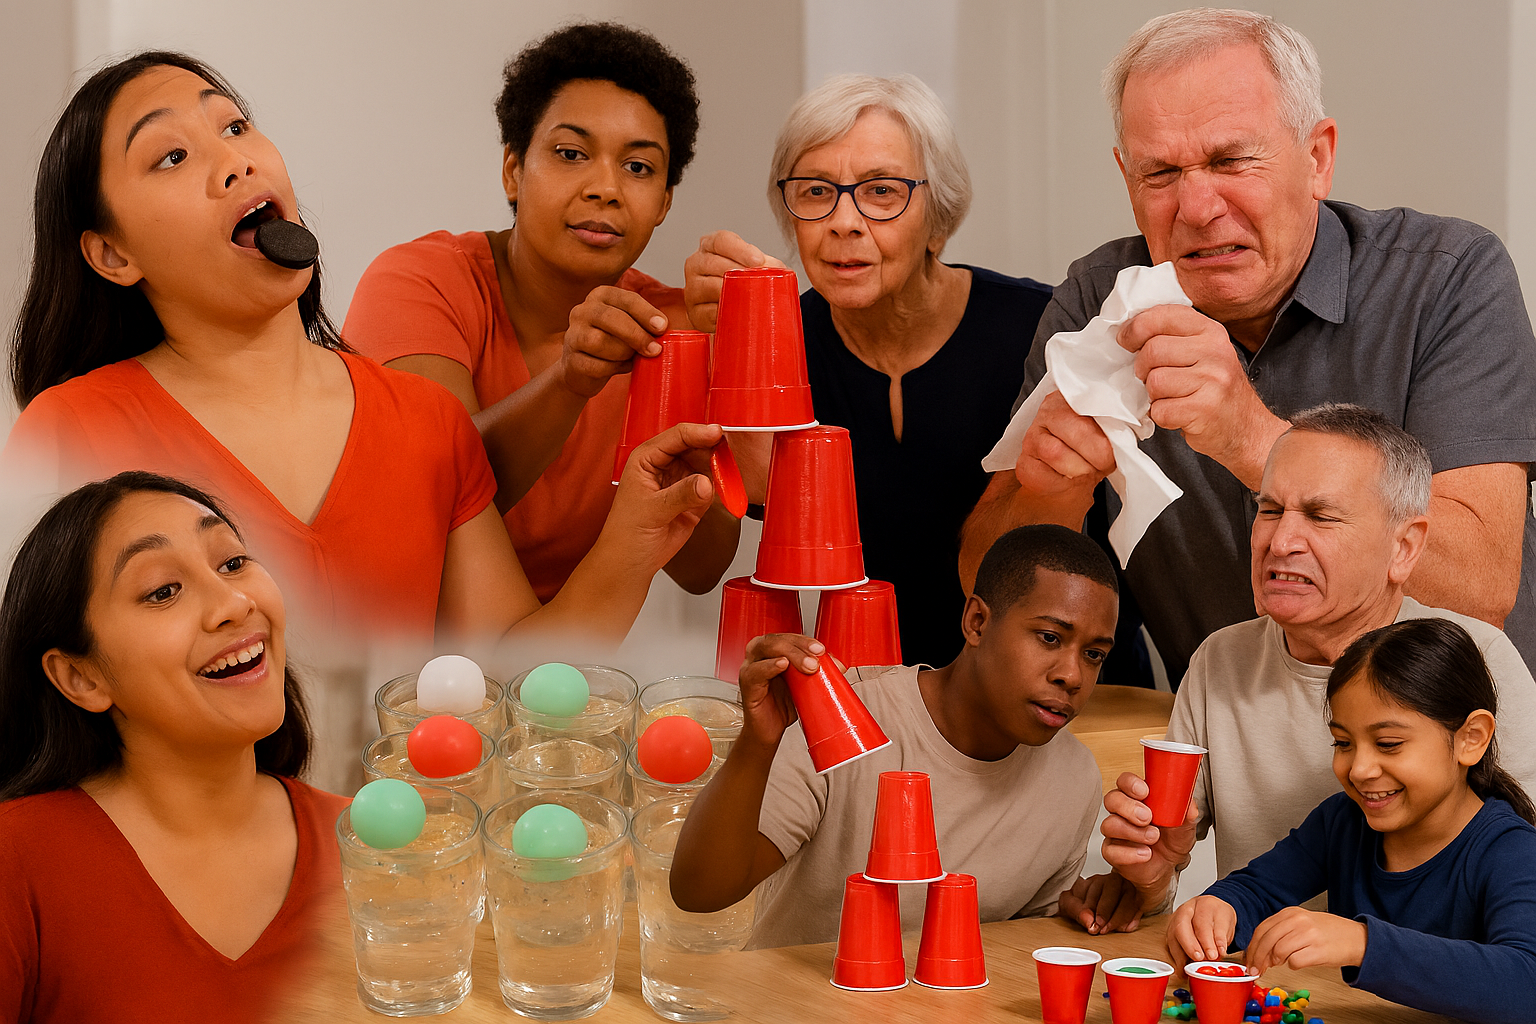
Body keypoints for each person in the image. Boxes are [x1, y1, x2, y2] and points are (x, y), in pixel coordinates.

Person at [1, 51, 720, 648]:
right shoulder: (69, 432)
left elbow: (510, 671)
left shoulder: (426, 421)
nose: (234, 161)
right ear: (112, 254)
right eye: (172, 155)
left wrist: (635, 539)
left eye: (237, 126)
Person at [961, 8, 1536, 685]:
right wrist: (1052, 493)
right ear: (1126, 177)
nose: (1198, 207)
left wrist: (1252, 439)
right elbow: (983, 583)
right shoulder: (1099, 302)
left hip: (1458, 736)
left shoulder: (1447, 279)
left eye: (1230, 160)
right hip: (1224, 740)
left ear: (1317, 158)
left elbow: (1479, 587)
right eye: (1160, 173)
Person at [343, 22, 738, 601]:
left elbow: (701, 572)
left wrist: (732, 356)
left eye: (638, 167)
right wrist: (569, 382)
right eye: (571, 154)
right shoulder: (420, 282)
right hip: (397, 642)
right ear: (513, 170)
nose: (606, 188)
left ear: (663, 204)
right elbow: (422, 499)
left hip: (562, 653)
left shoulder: (667, 328)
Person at [683, 74, 1064, 670]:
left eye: (882, 191)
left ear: (939, 220)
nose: (844, 221)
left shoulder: (1042, 330)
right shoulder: (785, 345)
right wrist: (724, 350)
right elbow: (742, 511)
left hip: (1049, 684)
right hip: (867, 692)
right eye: (816, 191)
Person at [1096, 404, 1536, 918]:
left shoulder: (1478, 658)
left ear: (1404, 548)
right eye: (1270, 510)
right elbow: (1173, 885)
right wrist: (1150, 875)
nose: (1280, 542)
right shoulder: (1221, 660)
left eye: (1321, 517)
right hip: (1260, 966)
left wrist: (1362, 946)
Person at [670, 524, 1140, 947]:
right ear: (977, 623)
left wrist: (1091, 907)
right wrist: (758, 743)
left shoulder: (1073, 777)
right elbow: (699, 891)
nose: (1071, 676)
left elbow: (1022, 940)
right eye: (1050, 638)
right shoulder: (845, 720)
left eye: (1094, 654)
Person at [0, 472, 350, 1024]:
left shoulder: (373, 844)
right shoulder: (15, 860)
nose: (233, 603)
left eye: (232, 562)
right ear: (80, 677)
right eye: (163, 591)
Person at [1167, 618, 1536, 1024]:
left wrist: (1361, 943)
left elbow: (1527, 981)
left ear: (1472, 738)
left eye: (1388, 744)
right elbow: (1255, 888)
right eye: (1343, 742)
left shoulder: (1514, 851)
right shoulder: (1342, 821)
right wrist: (1217, 909)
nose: (1359, 769)